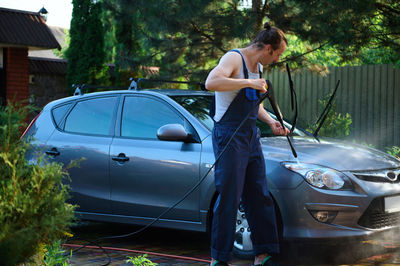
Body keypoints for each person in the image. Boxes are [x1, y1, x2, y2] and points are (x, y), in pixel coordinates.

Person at [205, 22, 289, 266]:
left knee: (259, 194)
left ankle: (263, 254)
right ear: (268, 48)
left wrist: (272, 122)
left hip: (250, 135)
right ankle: (218, 258)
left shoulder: (258, 66)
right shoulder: (234, 58)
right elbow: (212, 82)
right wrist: (248, 83)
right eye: (278, 54)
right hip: (229, 135)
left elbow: (256, 104)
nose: (278, 59)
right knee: (229, 196)